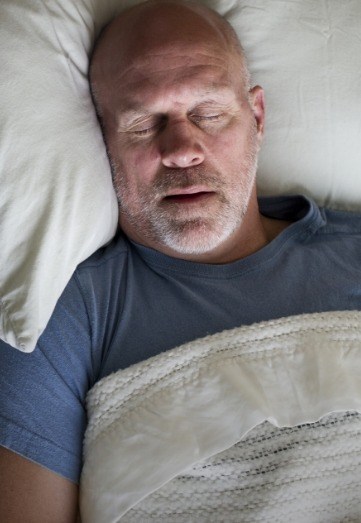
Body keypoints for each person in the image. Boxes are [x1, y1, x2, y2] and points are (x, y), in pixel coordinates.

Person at [1, 0, 361, 521]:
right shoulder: (64, 315)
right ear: (104, 140)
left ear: (257, 118)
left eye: (209, 114)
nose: (182, 149)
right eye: (145, 124)